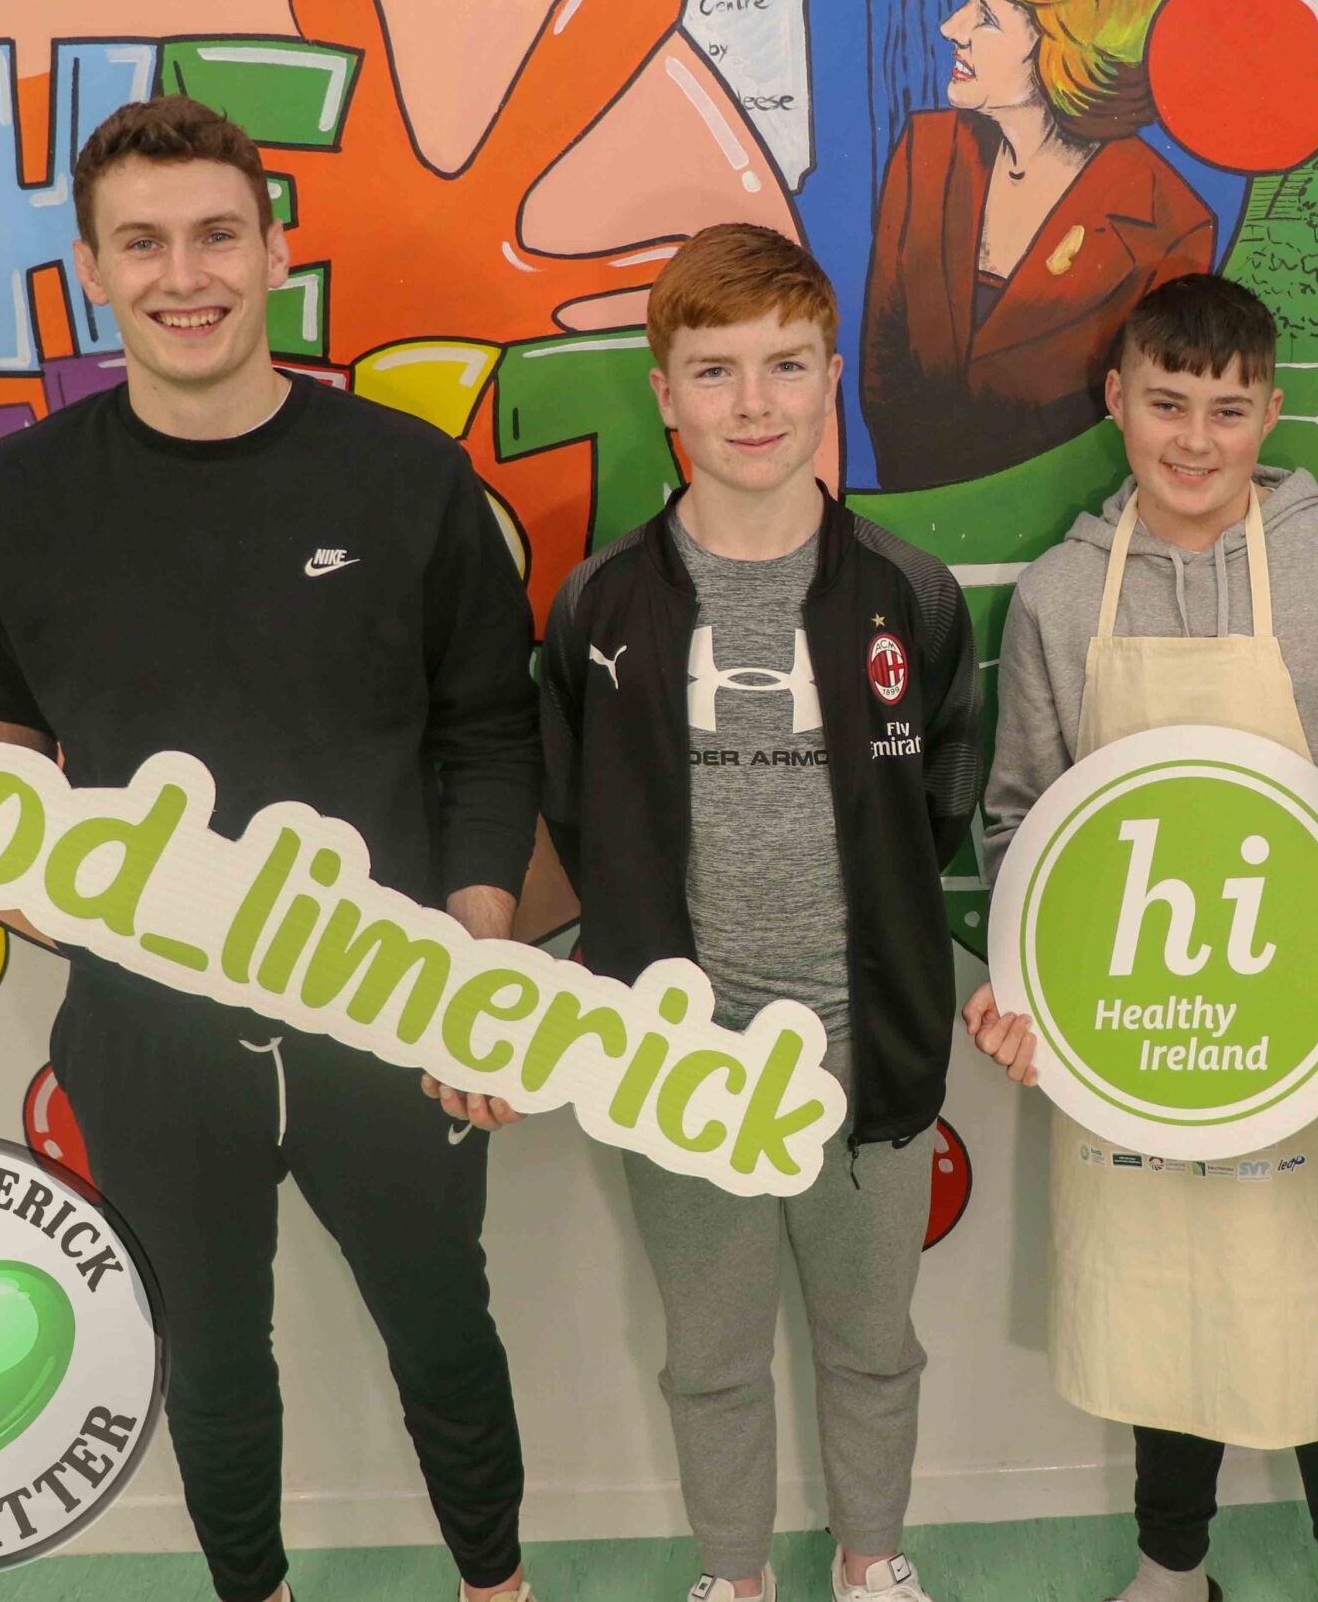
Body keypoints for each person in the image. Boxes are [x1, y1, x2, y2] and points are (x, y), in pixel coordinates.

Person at [0, 97, 542, 1602]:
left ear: (273, 249)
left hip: (389, 1007)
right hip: (145, 1023)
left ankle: (496, 1586)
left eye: (214, 235)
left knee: (445, 1327)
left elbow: (488, 734)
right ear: (92, 269)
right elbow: (4, 734)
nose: (185, 274)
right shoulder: (17, 499)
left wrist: (479, 962)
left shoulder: (402, 475)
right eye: (144, 243)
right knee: (211, 1351)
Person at [434, 223, 981, 1602]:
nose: (755, 405)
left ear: (831, 376)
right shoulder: (599, 603)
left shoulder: (910, 592)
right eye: (716, 371)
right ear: (664, 393)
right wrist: (492, 1001)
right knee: (713, 1348)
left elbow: (942, 822)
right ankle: (731, 1575)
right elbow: (571, 832)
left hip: (872, 1046)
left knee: (872, 1340)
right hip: (678, 1052)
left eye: (787, 365)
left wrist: (958, 979)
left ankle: (872, 1558)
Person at [966, 273, 1318, 1602]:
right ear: (1116, 401)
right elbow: (1019, 821)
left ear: (1271, 411)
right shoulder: (1058, 598)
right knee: (1158, 1298)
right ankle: (1170, 1564)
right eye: (1168, 403)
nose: (1196, 438)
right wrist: (1023, 988)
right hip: (1137, 1023)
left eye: (1228, 409)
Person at [861, 0, 1214, 488]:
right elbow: (883, 364)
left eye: (986, 16)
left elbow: (1150, 417)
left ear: (1063, 53)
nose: (952, 28)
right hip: (919, 504)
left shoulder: (1169, 220)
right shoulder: (927, 151)